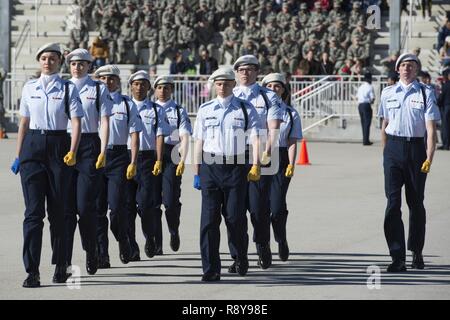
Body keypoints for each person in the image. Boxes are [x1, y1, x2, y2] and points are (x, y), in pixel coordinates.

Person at [11, 43, 83, 287]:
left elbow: (75, 122)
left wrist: (73, 151)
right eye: (43, 58)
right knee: (33, 213)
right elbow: (24, 122)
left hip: (57, 146)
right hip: (32, 146)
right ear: (38, 61)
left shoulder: (67, 89)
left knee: (58, 212)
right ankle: (32, 271)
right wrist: (18, 154)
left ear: (59, 62)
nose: (47, 62)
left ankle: (61, 263)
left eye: (52, 58)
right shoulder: (30, 87)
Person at [193, 66, 261, 281]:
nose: (222, 87)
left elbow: (256, 138)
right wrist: (197, 171)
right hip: (210, 167)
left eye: (226, 83)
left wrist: (256, 164)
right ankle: (211, 269)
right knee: (209, 221)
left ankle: (240, 256)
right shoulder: (205, 109)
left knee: (235, 218)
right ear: (214, 85)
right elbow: (199, 142)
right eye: (219, 83)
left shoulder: (245, 109)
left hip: (236, 167)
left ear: (234, 85)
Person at [378, 53, 441, 272]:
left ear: (416, 70)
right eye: (403, 65)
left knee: (416, 204)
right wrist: (386, 154)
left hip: (416, 150)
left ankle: (416, 251)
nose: (407, 69)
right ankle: (397, 257)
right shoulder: (387, 93)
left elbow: (431, 129)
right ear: (398, 69)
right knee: (392, 204)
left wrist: (429, 157)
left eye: (411, 66)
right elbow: (384, 123)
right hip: (393, 149)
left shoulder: (426, 92)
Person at [232, 55, 282, 271]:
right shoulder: (230, 94)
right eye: (241, 69)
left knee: (258, 207)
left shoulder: (268, 96)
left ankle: (262, 244)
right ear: (236, 73)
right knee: (233, 210)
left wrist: (267, 153)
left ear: (256, 73)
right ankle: (238, 256)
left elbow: (273, 128)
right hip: (233, 156)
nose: (245, 73)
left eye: (250, 69)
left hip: (260, 156)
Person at [64, 48, 112, 276]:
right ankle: (62, 259)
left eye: (82, 63)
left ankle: (91, 249)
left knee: (85, 207)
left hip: (89, 145)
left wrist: (103, 150)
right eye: (74, 63)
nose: (77, 67)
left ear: (89, 66)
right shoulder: (62, 86)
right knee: (63, 209)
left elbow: (104, 120)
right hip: (62, 145)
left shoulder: (98, 88)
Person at [94, 65, 143, 268]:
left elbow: (134, 134)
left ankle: (123, 239)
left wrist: (133, 161)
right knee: (97, 210)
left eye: (111, 79)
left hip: (118, 156)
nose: (107, 82)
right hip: (95, 156)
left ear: (117, 81)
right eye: (103, 79)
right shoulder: (91, 102)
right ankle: (102, 253)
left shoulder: (126, 104)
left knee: (116, 208)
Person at [126, 71, 170, 261]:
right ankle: (131, 245)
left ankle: (149, 237)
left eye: (143, 84)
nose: (139, 87)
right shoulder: (123, 106)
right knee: (125, 206)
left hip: (147, 158)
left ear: (148, 88)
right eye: (136, 84)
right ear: (130, 86)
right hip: (124, 158)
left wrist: (159, 159)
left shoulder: (156, 110)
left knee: (146, 205)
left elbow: (160, 135)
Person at [261, 73, 302, 261]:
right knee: (259, 206)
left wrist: (291, 165)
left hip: (281, 158)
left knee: (276, 206)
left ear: (284, 90)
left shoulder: (291, 113)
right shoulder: (257, 111)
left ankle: (281, 238)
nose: (273, 90)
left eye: (277, 86)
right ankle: (264, 244)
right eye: (269, 86)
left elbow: (292, 141)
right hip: (260, 157)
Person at [153, 76, 192, 255]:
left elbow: (184, 136)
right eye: (160, 87)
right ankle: (156, 241)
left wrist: (183, 158)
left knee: (170, 200)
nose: (163, 91)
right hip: (151, 153)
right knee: (151, 202)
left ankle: (173, 229)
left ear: (172, 90)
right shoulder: (148, 108)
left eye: (167, 88)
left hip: (172, 153)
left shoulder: (178, 111)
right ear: (155, 90)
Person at [357, 72, 375, 146]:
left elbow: (357, 96)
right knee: (367, 123)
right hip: (366, 105)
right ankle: (366, 140)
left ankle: (364, 139)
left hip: (360, 105)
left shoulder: (361, 87)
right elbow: (372, 98)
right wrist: (372, 102)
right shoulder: (370, 87)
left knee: (363, 123)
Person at [437, 67, 450, 150]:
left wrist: (438, 104)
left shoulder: (446, 85)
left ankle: (446, 144)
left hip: (447, 107)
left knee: (445, 127)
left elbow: (441, 97)